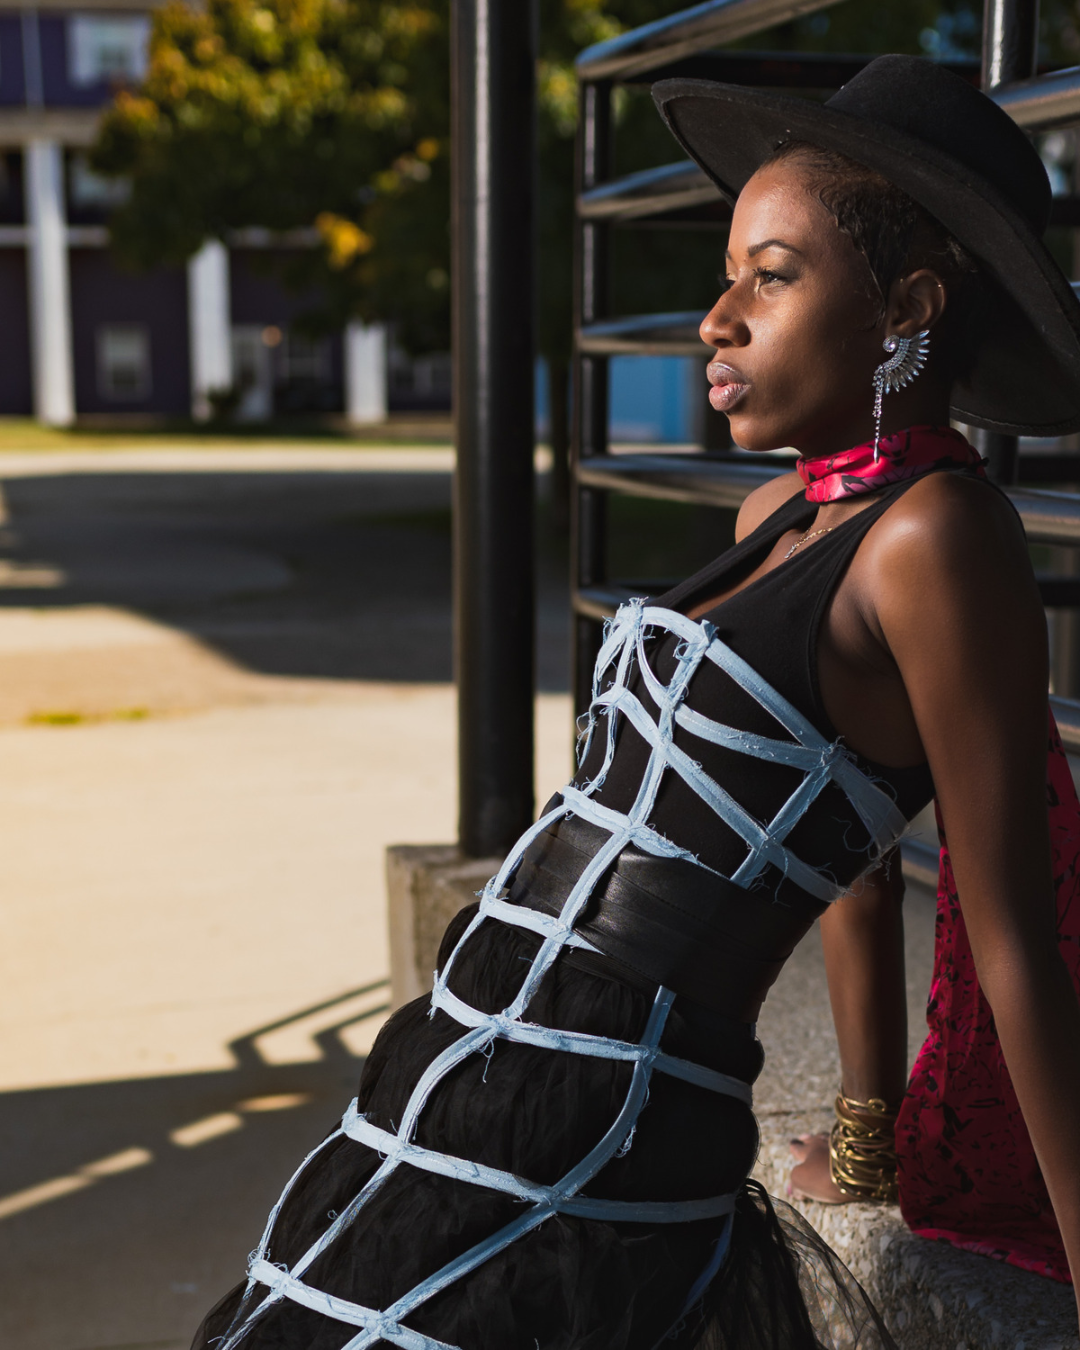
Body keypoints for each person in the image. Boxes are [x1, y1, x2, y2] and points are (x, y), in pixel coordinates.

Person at [192, 54, 1080, 1350]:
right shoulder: (777, 515)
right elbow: (850, 873)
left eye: (770, 276)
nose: (717, 319)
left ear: (906, 310)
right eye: (726, 276)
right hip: (469, 1054)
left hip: (605, 1112)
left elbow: (1014, 942)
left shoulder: (936, 539)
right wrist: (865, 1138)